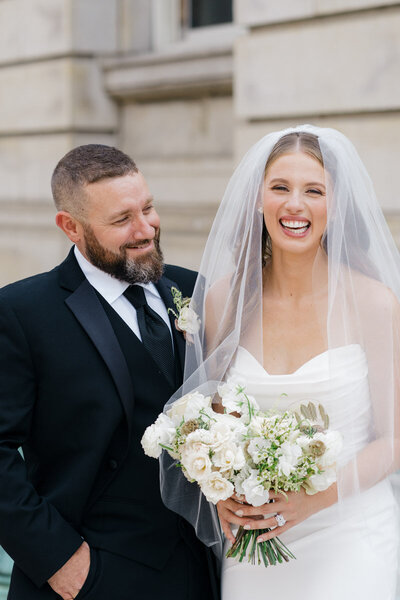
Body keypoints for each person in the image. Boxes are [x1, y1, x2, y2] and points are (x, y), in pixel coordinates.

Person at [160, 125, 400, 599]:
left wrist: (313, 501)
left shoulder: (374, 302)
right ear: (257, 198)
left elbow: (393, 439)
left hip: (351, 532)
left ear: (337, 205)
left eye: (314, 190)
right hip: (256, 541)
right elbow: (211, 417)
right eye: (280, 188)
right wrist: (222, 492)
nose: (295, 204)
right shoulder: (225, 298)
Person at [0, 144, 219, 600]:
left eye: (148, 208)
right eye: (122, 220)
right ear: (71, 228)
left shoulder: (193, 288)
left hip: (200, 571)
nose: (145, 229)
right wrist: (60, 562)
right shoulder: (21, 312)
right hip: (89, 574)